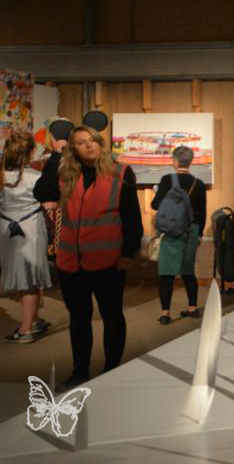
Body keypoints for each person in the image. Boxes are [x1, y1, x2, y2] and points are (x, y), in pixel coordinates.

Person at [34, 125, 142, 392]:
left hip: (108, 262)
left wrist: (128, 253)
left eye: (92, 140)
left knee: (111, 316)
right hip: (71, 263)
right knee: (79, 319)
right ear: (73, 149)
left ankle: (111, 370)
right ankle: (80, 372)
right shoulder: (66, 174)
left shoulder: (120, 173)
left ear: (100, 143)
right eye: (81, 142)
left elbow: (132, 218)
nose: (89, 145)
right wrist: (56, 157)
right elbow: (42, 193)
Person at [1, 131, 53, 343]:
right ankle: (26, 329)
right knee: (30, 277)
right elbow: (50, 201)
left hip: (6, 229)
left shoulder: (1, 176)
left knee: (22, 274)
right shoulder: (37, 178)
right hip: (31, 228)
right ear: (31, 152)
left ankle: (34, 319)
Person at [151, 145, 207, 325]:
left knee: (166, 273)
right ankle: (192, 308)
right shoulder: (198, 183)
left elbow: (155, 205)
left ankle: (165, 314)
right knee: (188, 271)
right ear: (190, 162)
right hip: (191, 230)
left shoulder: (167, 180)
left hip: (171, 230)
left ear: (175, 161)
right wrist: (199, 234)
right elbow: (202, 212)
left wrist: (157, 192)